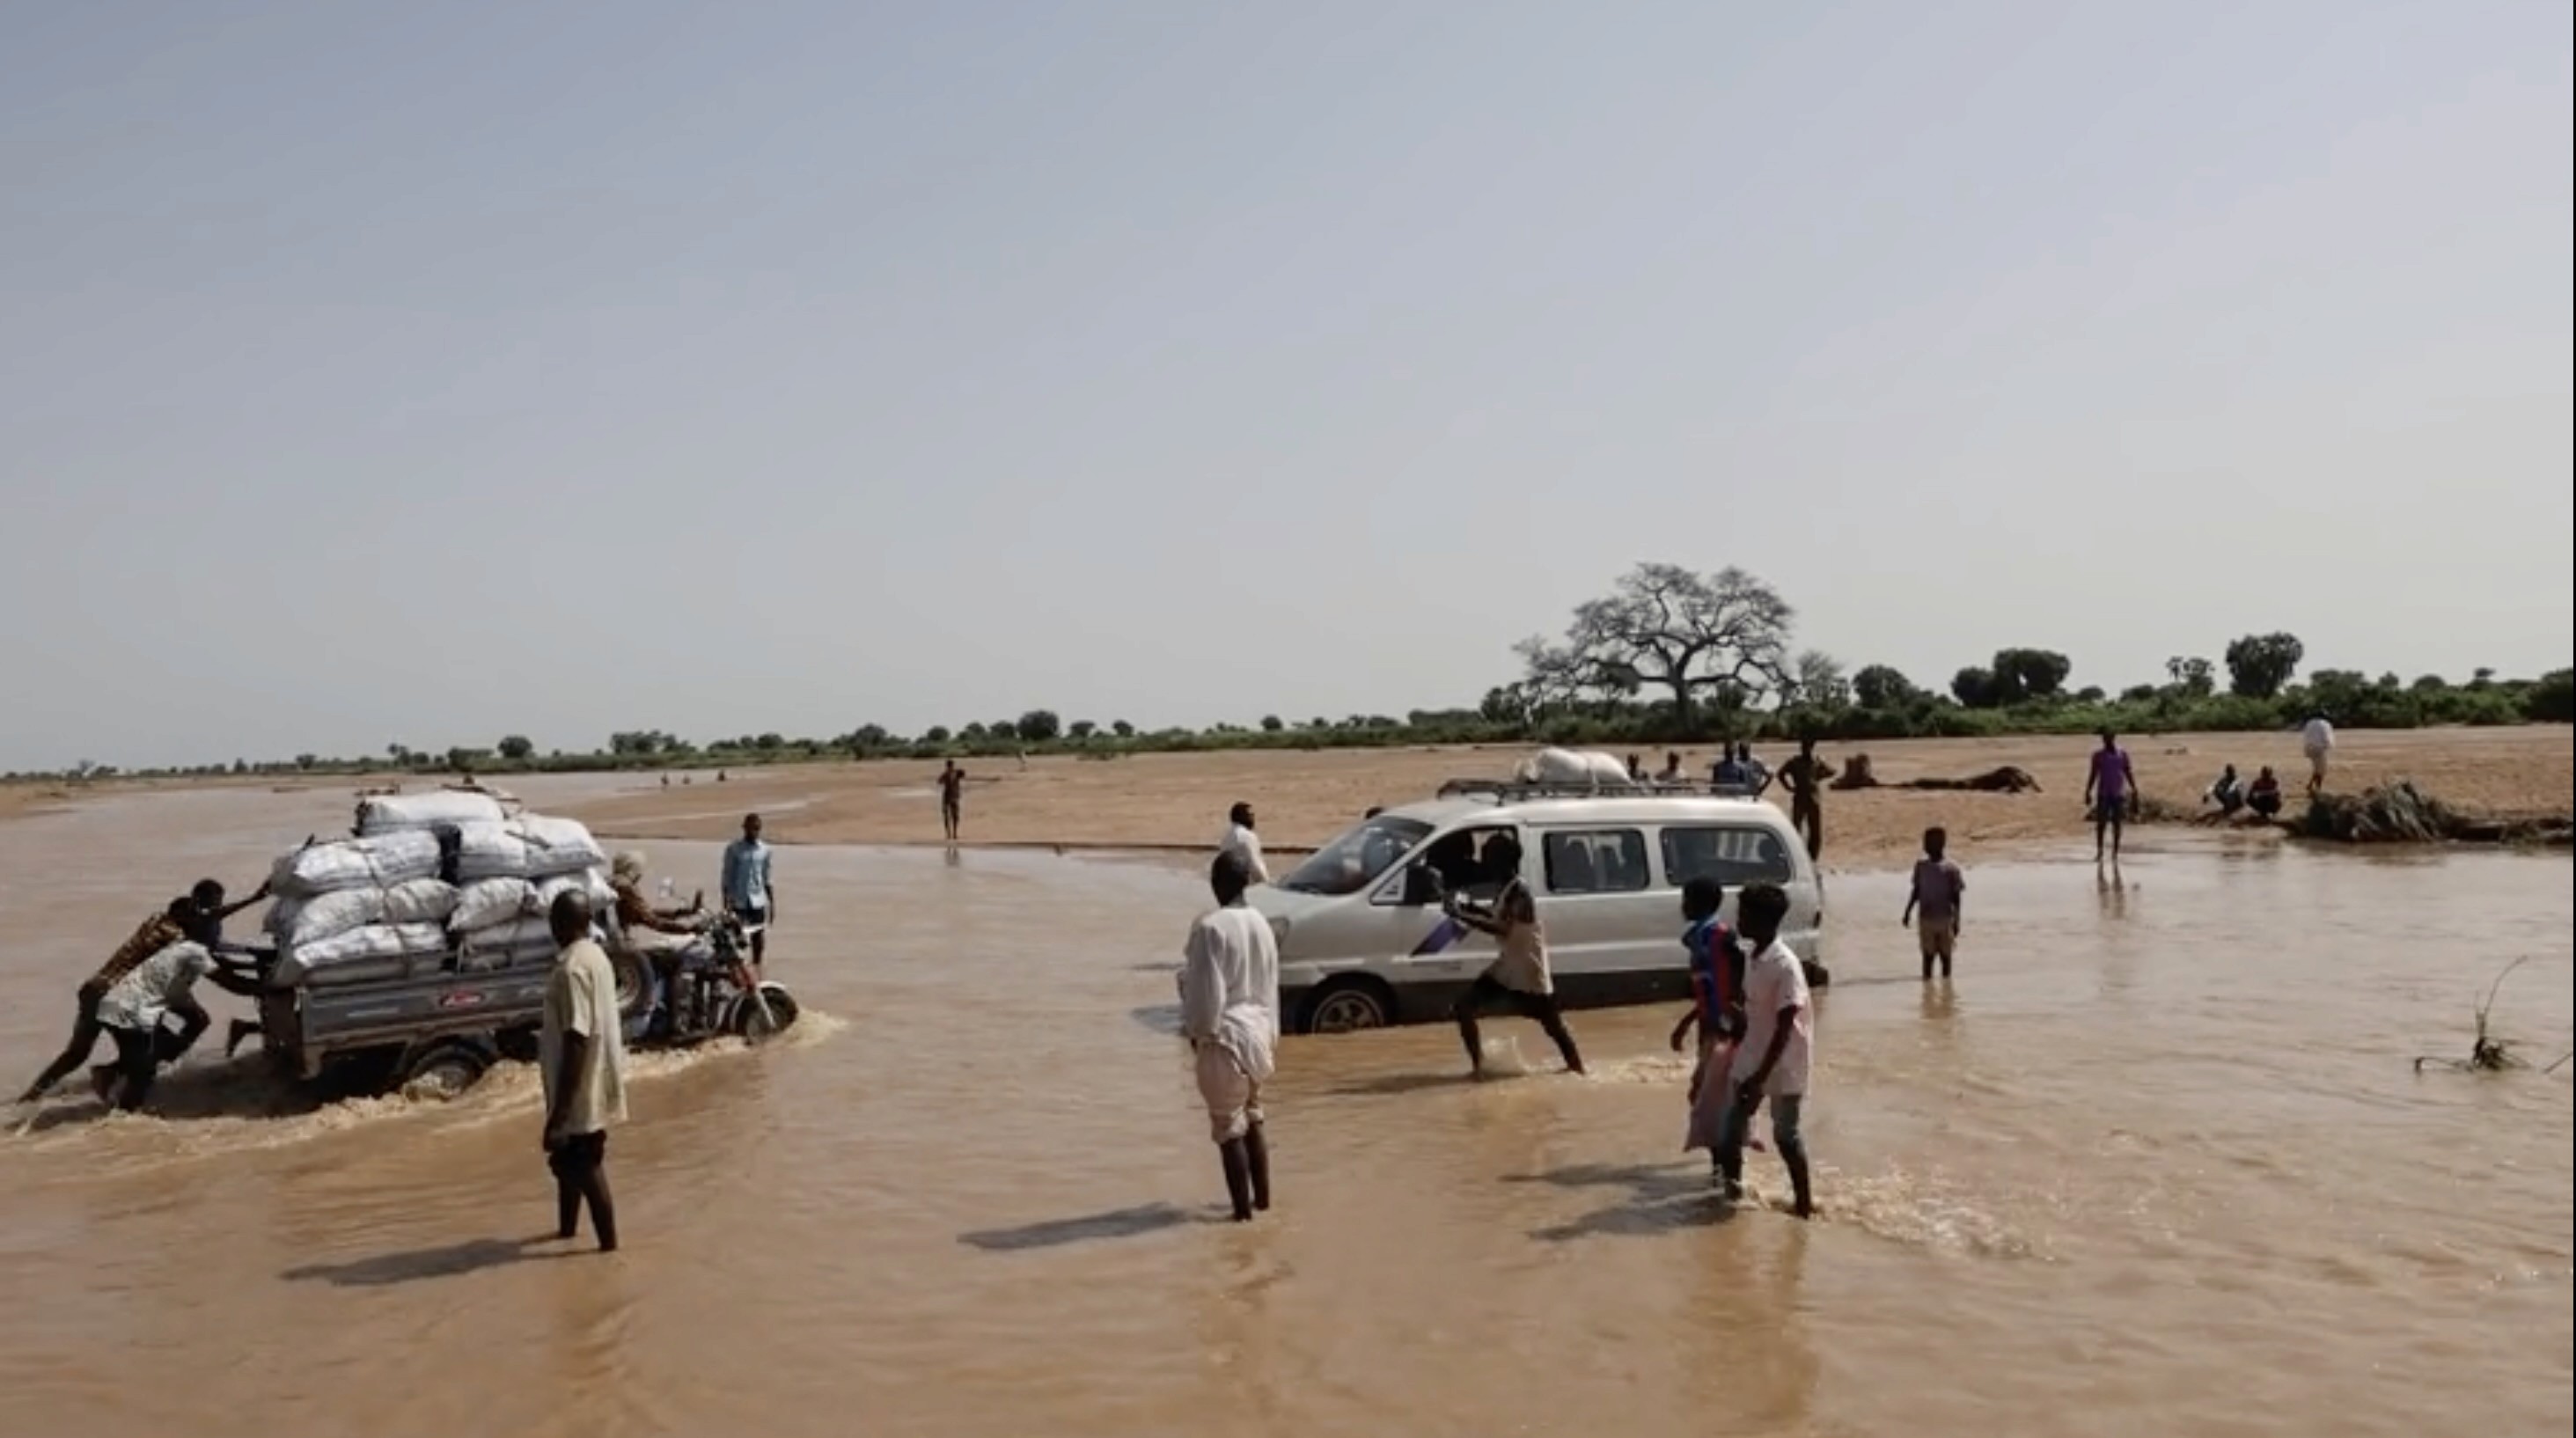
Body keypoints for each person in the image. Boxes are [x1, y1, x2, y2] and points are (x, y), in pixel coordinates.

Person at [19, 876, 266, 1104]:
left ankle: (32, 1095)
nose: (206, 916)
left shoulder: (156, 920)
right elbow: (217, 968)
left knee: (76, 1054)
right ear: (186, 915)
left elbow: (209, 925)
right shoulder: (179, 940)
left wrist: (251, 901)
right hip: (124, 997)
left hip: (94, 989)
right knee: (153, 1054)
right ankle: (116, 1083)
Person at [1178, 852, 1281, 1222]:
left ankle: (1241, 1217)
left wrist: (1198, 1035)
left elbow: (1208, 996)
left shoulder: (1211, 928)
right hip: (1260, 1034)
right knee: (1253, 1114)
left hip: (1227, 1038)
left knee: (1227, 1126)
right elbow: (1270, 987)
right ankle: (1263, 1204)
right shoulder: (1262, 924)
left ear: (1216, 883)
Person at [88, 902, 263, 1112]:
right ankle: (124, 1112)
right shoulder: (192, 952)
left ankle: (116, 1086)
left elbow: (222, 966)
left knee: (148, 1059)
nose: (216, 937)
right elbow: (231, 983)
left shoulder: (180, 946)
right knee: (144, 1070)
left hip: (119, 1002)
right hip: (129, 1007)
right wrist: (269, 988)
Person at [1444, 834, 1585, 1079]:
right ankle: (1479, 1068)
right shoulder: (1506, 888)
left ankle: (1578, 1071)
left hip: (1528, 970)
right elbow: (1497, 918)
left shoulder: (1520, 892)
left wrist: (1461, 915)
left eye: (1489, 857)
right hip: (1509, 966)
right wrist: (1469, 908)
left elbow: (1502, 928)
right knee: (1463, 1007)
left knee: (1553, 1027)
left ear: (1503, 861)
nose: (1484, 862)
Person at [1713, 882, 1815, 1218]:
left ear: (1763, 920)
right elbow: (1759, 1012)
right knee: (1729, 1134)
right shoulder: (1753, 957)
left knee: (1786, 1136)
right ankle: (1733, 1199)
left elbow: (1786, 1026)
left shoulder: (1785, 965)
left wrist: (1760, 1076)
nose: (1738, 920)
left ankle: (1804, 1206)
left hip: (1783, 1063)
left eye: (1744, 914)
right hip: (1752, 1056)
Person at [540, 891, 627, 1252]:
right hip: (596, 1079)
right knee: (576, 1162)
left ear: (559, 924)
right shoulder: (596, 956)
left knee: (583, 1166)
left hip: (579, 1086)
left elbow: (576, 1037)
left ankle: (609, 1251)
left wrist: (559, 1114)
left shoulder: (571, 969)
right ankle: (567, 1233)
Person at [1670, 878, 1750, 1169]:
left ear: (1700, 904)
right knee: (1706, 1096)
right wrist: (1687, 1022)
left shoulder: (1718, 937)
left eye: (1686, 900)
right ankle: (1721, 1167)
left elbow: (1735, 983)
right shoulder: (1701, 939)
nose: (1682, 906)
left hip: (1723, 1030)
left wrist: (1733, 1023)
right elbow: (1711, 988)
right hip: (1710, 1027)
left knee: (1712, 1098)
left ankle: (1729, 1172)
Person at [610, 851, 705, 1038]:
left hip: (617, 946)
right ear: (633, 869)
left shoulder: (611, 883)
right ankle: (675, 1025)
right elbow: (653, 922)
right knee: (675, 961)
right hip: (623, 947)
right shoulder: (626, 887)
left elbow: (645, 913)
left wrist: (681, 913)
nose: (641, 875)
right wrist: (688, 929)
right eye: (639, 870)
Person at [1901, 826, 1967, 980]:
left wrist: (1957, 920)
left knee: (1946, 957)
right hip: (1926, 919)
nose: (1927, 846)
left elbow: (1956, 897)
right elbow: (1916, 891)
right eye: (1926, 842)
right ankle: (1928, 982)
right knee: (1927, 956)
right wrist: (1907, 911)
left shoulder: (1951, 869)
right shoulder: (1921, 867)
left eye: (1931, 843)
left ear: (1942, 844)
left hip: (1945, 919)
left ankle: (1946, 986)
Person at [720, 813, 776, 969]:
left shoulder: (765, 850)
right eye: (751, 828)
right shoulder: (734, 849)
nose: (754, 832)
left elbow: (767, 877)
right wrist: (726, 903)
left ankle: (757, 967)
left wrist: (772, 904)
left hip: (758, 900)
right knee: (737, 939)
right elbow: (727, 876)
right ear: (744, 828)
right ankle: (737, 970)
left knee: (758, 938)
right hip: (739, 900)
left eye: (757, 829)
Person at [2082, 730, 2138, 863]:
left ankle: (2115, 852)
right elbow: (2093, 774)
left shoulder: (2122, 754)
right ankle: (2100, 850)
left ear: (2114, 738)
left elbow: (2127, 771)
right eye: (2105, 739)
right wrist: (2088, 791)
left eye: (2109, 738)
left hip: (2118, 793)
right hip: (2103, 793)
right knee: (2101, 823)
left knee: (2117, 823)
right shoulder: (2098, 756)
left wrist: (2134, 787)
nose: (2107, 741)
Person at [1778, 739, 1833, 860]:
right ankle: (1795, 853)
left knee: (1815, 830)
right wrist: (1788, 787)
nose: (1806, 750)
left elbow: (1831, 771)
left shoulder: (1817, 761)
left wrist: (1818, 776)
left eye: (1808, 747)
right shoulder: (1794, 762)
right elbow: (1780, 773)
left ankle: (1813, 856)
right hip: (1800, 798)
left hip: (1813, 799)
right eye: (1804, 747)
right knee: (1796, 828)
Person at [1217, 802, 1271, 885]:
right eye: (1250, 815)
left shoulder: (1227, 836)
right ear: (1241, 817)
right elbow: (1256, 865)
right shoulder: (1247, 836)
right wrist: (1267, 885)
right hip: (1246, 887)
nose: (1253, 819)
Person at [2301, 714, 2337, 798]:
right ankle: (2318, 789)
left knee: (2316, 768)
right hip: (2320, 748)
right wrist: (2329, 746)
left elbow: (2306, 735)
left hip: (2309, 747)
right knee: (2321, 770)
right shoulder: (2325, 724)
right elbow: (2327, 737)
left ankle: (2310, 785)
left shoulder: (2309, 723)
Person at [937, 760, 967, 843]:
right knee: (947, 815)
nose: (950, 768)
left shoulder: (956, 773)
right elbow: (939, 781)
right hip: (947, 797)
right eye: (949, 766)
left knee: (955, 816)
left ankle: (954, 833)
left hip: (954, 796)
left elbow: (963, 774)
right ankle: (948, 833)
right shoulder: (945, 774)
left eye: (951, 766)